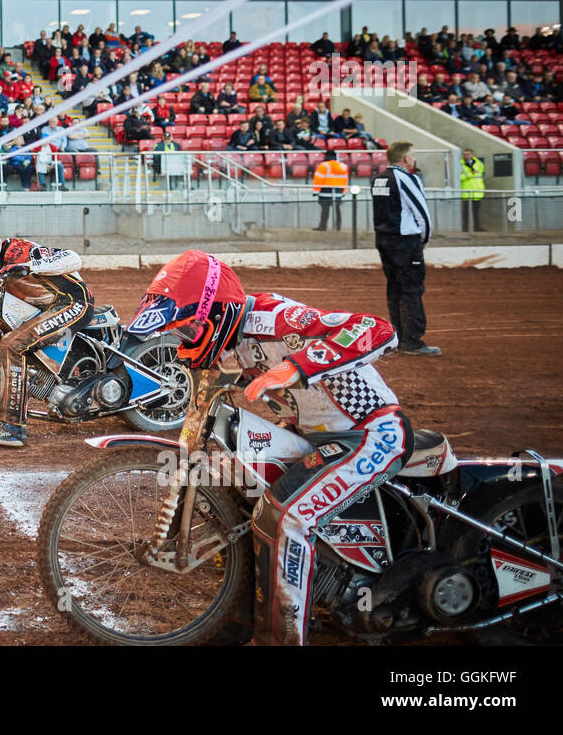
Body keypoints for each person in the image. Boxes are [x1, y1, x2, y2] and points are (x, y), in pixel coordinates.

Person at [131, 250, 407, 645]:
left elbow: (377, 328)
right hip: (311, 434)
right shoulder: (228, 338)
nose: (185, 340)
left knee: (286, 516)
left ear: (217, 312)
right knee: (242, 491)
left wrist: (297, 366)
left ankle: (281, 640)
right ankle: (239, 622)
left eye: (189, 329)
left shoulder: (275, 318)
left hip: (369, 433)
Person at [0, 221, 89, 449]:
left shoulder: (16, 251)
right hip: (50, 308)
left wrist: (31, 266)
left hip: (72, 302)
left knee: (12, 346)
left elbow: (73, 257)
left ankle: (13, 427)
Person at [371, 141, 439, 356]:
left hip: (384, 240)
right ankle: (412, 341)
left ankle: (398, 337)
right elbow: (422, 212)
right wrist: (425, 239)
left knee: (395, 288)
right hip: (405, 243)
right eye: (413, 155)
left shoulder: (379, 179)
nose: (414, 159)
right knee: (411, 288)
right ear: (406, 159)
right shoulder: (407, 179)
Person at [311, 149, 348, 231]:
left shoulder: (323, 165)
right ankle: (338, 227)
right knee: (337, 210)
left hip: (325, 191)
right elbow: (345, 180)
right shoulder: (343, 166)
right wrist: (343, 192)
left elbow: (318, 179)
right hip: (338, 192)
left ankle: (323, 226)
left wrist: (315, 192)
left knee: (325, 210)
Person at [459, 147, 485, 232]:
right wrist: (471, 174)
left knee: (475, 212)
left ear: (472, 155)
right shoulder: (460, 164)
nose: (466, 156)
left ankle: (476, 228)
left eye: (468, 154)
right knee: (466, 213)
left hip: (477, 193)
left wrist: (470, 174)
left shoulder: (479, 164)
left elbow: (479, 173)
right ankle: (466, 229)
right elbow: (459, 177)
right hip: (466, 193)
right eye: (464, 154)